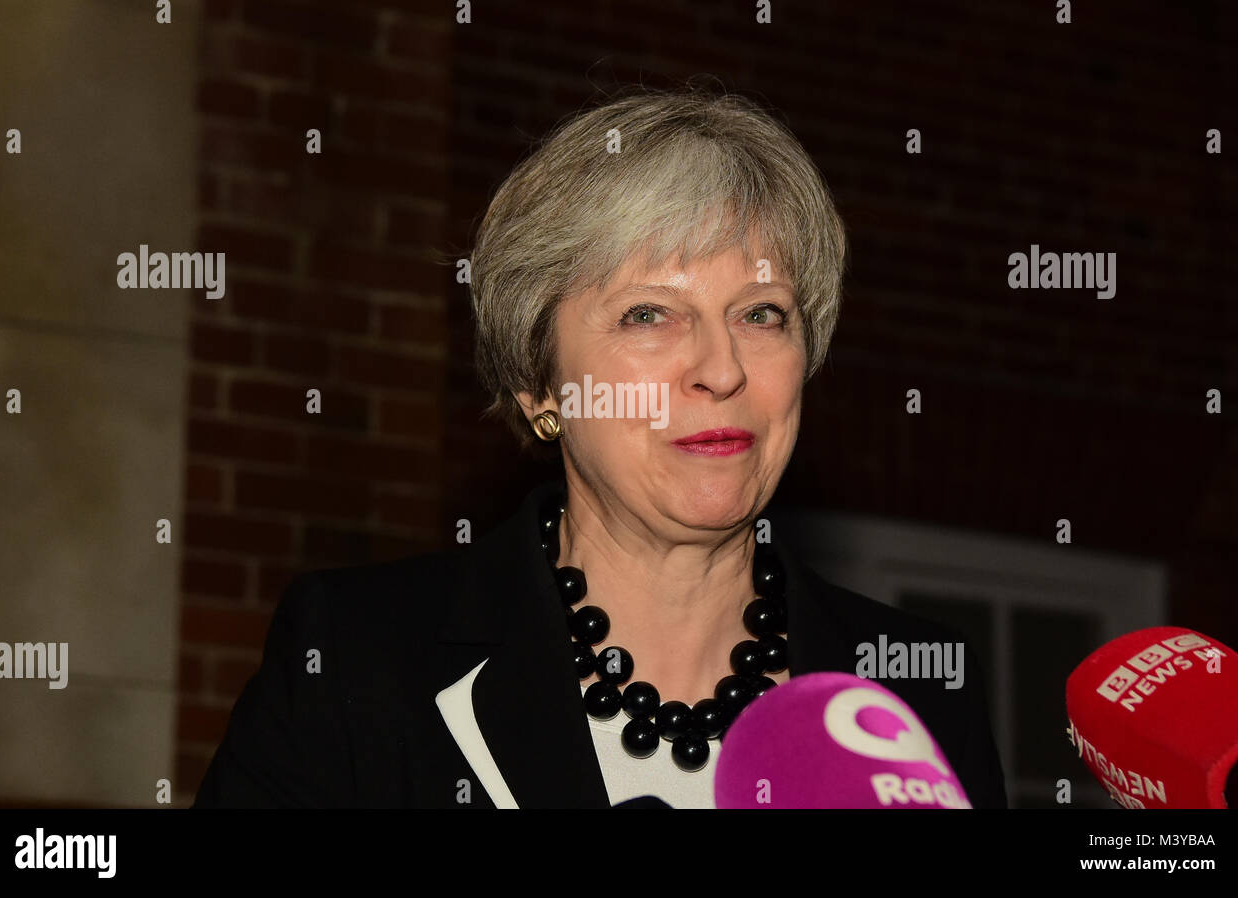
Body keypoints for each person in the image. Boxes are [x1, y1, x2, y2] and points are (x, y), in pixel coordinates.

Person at [193, 82, 1007, 809]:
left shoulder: (914, 693)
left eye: (762, 314)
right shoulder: (357, 659)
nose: (722, 369)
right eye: (648, 314)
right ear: (540, 386)